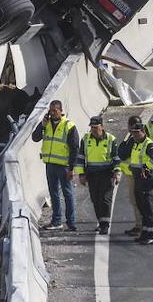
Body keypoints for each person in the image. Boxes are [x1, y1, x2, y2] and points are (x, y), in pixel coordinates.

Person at [30, 100, 79, 231]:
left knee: (67, 193)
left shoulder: (69, 126)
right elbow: (35, 138)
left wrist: (72, 168)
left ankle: (71, 221)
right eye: (50, 111)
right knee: (54, 193)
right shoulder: (47, 125)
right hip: (50, 164)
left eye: (54, 111)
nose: (52, 113)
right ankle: (57, 221)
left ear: (60, 111)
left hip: (63, 166)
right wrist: (42, 125)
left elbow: (74, 148)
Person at [74, 116, 121, 235]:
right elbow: (81, 157)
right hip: (92, 174)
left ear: (102, 126)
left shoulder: (110, 139)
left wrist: (117, 172)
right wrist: (81, 174)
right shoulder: (86, 139)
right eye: (92, 127)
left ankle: (105, 225)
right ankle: (101, 223)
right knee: (95, 199)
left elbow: (116, 158)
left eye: (96, 127)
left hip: (106, 174)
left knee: (105, 199)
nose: (93, 130)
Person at [118, 120, 153, 245]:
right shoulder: (135, 144)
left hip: (146, 180)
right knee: (141, 207)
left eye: (137, 133)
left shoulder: (148, 144)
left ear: (143, 132)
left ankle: (151, 234)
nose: (135, 135)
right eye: (133, 133)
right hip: (137, 178)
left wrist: (147, 167)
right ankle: (144, 233)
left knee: (148, 208)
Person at [118, 116, 144, 237]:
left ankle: (141, 226)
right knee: (136, 200)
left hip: (134, 174)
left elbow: (122, 153)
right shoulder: (134, 138)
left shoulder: (134, 139)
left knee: (137, 200)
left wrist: (123, 144)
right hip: (132, 173)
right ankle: (139, 225)